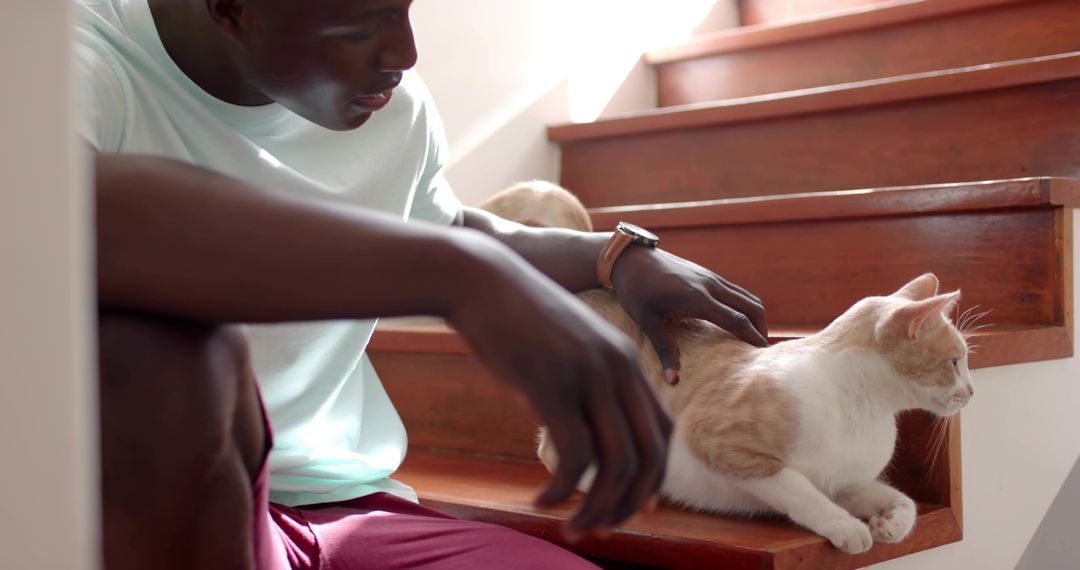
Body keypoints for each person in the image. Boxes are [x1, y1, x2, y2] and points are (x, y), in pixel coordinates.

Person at [75, 0, 769, 567]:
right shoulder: (70, 57)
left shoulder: (386, 104)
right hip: (176, 507)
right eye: (358, 26)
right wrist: (454, 275)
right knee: (158, 344)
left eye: (407, 9)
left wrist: (614, 257)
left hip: (351, 509)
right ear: (230, 9)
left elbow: (448, 226)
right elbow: (59, 204)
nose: (405, 54)